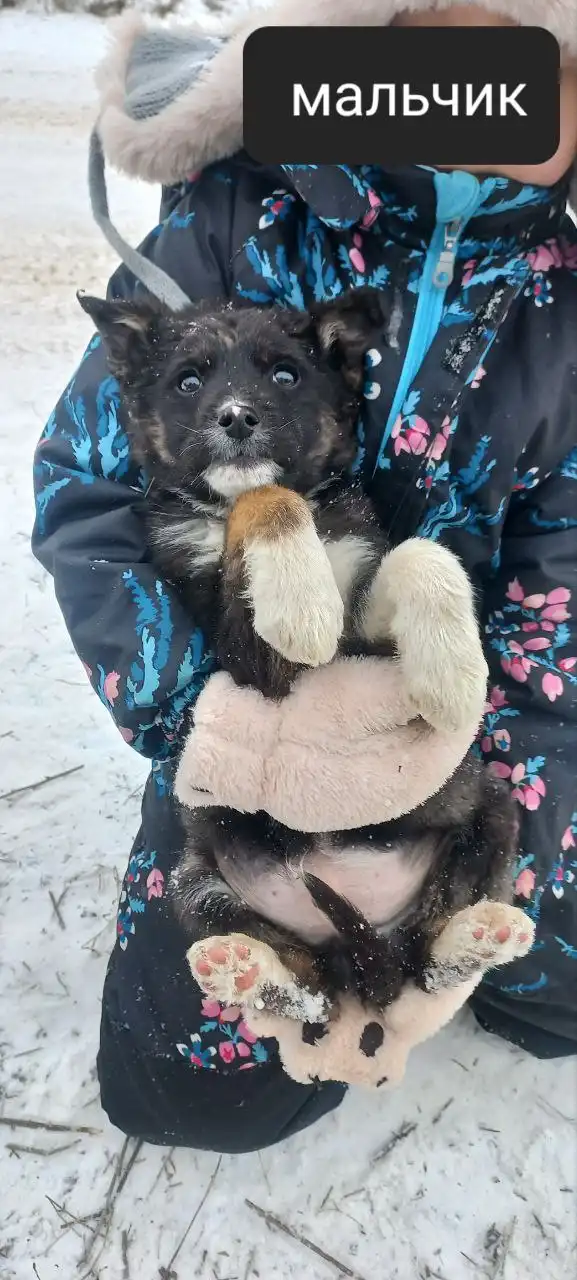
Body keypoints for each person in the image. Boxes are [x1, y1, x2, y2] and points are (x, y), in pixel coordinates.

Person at [32, 0, 577, 1154]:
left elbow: (559, 584)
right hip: (245, 717)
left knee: (552, 985)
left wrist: (507, 790)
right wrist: (217, 731)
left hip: (458, 725)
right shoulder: (239, 218)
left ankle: (483, 948)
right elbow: (89, 490)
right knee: (196, 1093)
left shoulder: (565, 307)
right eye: (436, 53)